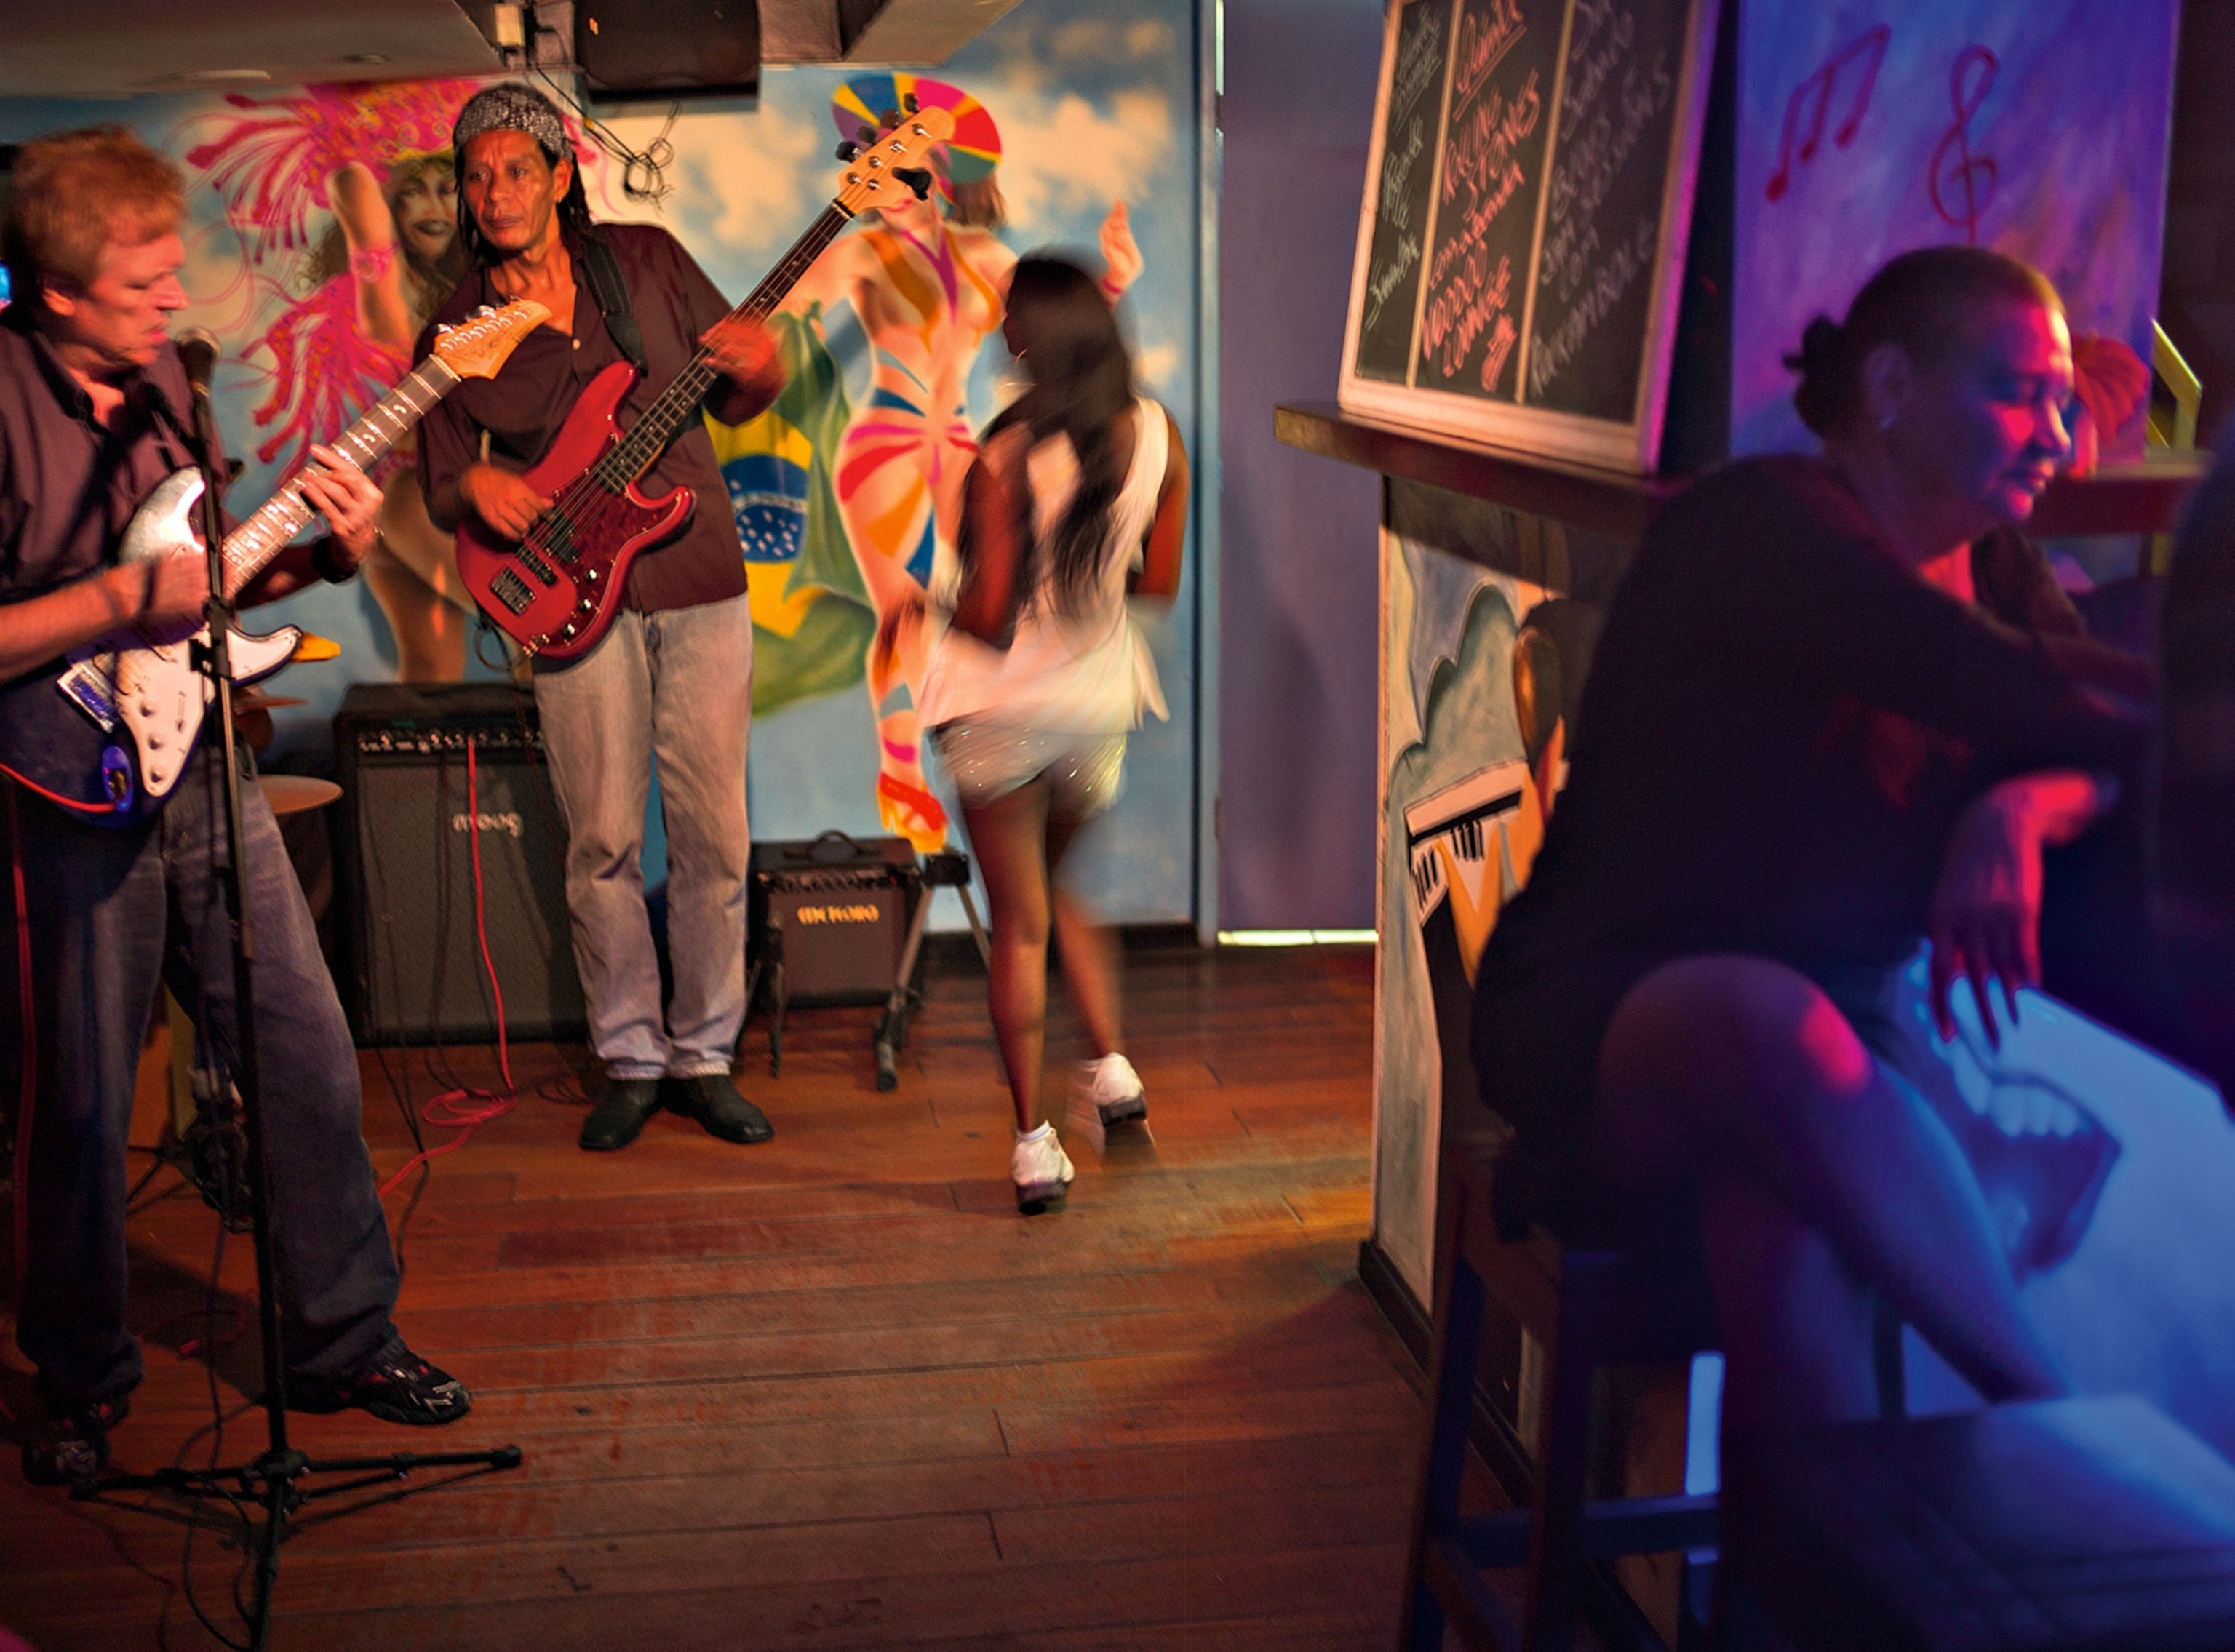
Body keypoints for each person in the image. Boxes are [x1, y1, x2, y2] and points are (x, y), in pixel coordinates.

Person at [1467, 247, 2148, 1441]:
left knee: (1781, 1196)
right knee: (1764, 1025)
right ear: (1888, 388)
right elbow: (2005, 685)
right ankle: (2055, 1420)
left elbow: (2067, 732)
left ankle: (1806, 1591)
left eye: (2059, 398)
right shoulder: (1761, 526)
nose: (2058, 431)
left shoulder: (1998, 565)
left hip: (1836, 1052)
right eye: (2018, 391)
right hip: (1608, 1011)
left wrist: (2016, 813)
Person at [0, 127, 471, 1485]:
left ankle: (343, 1339)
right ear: (58, 293)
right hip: (58, 785)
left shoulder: (164, 388)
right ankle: (81, 1379)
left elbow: (195, 589)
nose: (171, 307)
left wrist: (323, 548)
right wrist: (112, 603)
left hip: (200, 758)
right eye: (144, 287)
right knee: (81, 1102)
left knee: (308, 1052)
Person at [416, 84, 786, 1154]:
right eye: (478, 175)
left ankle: (704, 1054)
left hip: (699, 575)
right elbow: (443, 477)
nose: (496, 193)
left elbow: (739, 389)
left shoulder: (649, 262)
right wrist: (473, 494)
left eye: (517, 170)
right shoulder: (457, 328)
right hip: (570, 597)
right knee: (603, 838)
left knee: (716, 833)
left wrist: (763, 369)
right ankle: (629, 1053)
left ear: (562, 175)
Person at [781, 79, 1141, 852]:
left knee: (976, 605)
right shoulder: (857, 256)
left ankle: (978, 761)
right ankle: (903, 774)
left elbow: (1062, 333)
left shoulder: (986, 256)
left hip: (958, 446)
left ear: (939, 169)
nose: (887, 173)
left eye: (905, 158)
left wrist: (1113, 279)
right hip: (884, 443)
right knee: (906, 610)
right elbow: (776, 314)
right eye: (870, 155)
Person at [906, 255, 1187, 1212]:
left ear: (1035, 338)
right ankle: (1111, 1071)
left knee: (1019, 923)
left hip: (999, 717)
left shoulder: (1010, 454)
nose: (999, 334)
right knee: (1057, 888)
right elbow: (1155, 590)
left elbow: (983, 617)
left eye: (1010, 321)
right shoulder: (1159, 436)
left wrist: (918, 606)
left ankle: (1033, 1146)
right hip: (1096, 714)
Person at [311, 150, 476, 682]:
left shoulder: (462, 290)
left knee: (431, 674)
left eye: (446, 190)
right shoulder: (386, 283)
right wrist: (379, 166)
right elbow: (352, 181)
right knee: (538, 630)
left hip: (389, 503)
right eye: (412, 191)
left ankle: (427, 768)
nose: (430, 206)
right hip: (414, 492)